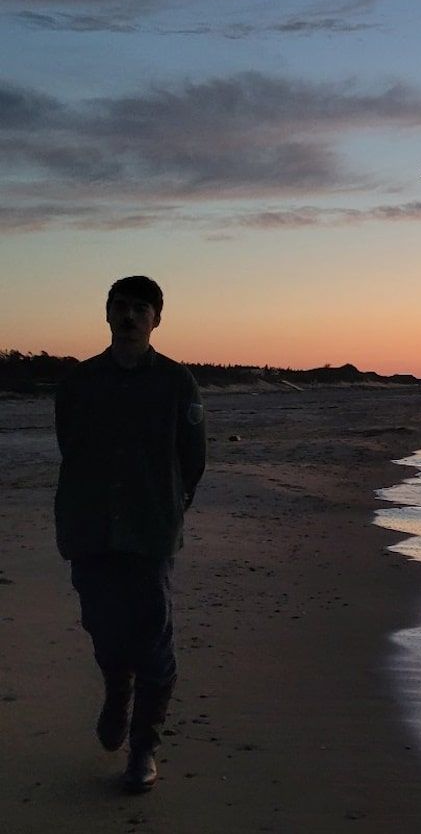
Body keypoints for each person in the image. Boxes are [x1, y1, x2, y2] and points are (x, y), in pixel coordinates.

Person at [54, 276, 206, 794]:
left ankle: (144, 748)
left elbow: (193, 458)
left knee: (153, 640)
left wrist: (168, 507)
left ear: (157, 319)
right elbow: (68, 446)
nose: (130, 315)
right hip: (90, 527)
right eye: (120, 306)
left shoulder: (177, 382)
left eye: (141, 308)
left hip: (150, 531)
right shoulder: (79, 383)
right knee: (101, 625)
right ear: (107, 314)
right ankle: (117, 690)